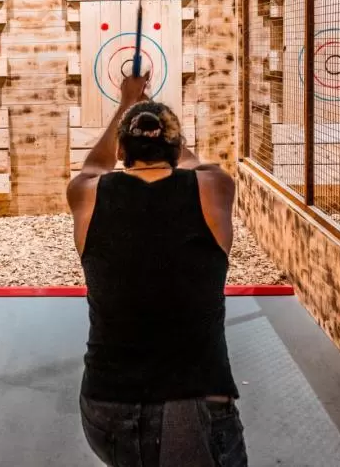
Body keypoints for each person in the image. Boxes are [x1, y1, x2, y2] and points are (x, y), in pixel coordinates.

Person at [66, 72, 248, 467]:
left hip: (104, 404)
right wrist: (161, 127)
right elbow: (192, 162)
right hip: (191, 406)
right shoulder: (213, 188)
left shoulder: (87, 193)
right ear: (176, 144)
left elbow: (95, 163)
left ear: (122, 148)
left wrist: (127, 104)